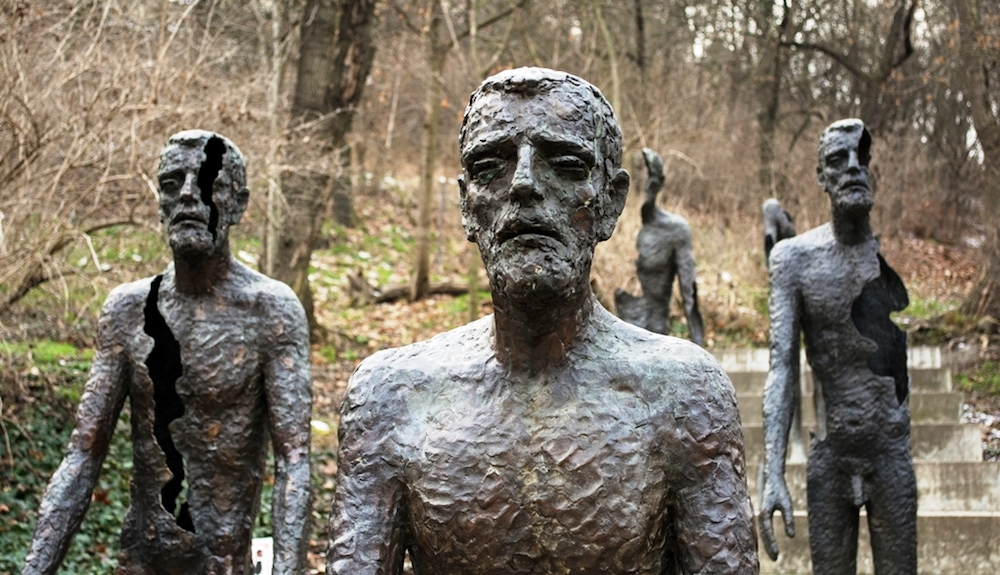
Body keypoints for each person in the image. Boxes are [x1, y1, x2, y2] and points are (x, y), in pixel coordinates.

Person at [327, 67, 758, 574]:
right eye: (491, 166)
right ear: (468, 204)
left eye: (567, 165)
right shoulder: (390, 398)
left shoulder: (685, 396)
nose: (525, 186)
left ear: (610, 202)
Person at [23, 130, 312, 575]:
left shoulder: (270, 311)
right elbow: (83, 452)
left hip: (225, 564)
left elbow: (294, 461)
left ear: (237, 203)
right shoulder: (127, 309)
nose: (189, 198)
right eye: (173, 184)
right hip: (141, 560)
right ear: (160, 203)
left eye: (208, 183)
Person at [759, 119, 915, 574]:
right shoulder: (793, 260)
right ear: (821, 178)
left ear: (872, 171)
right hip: (831, 456)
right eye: (836, 160)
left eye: (860, 158)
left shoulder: (892, 259)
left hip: (890, 454)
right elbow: (780, 367)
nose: (851, 168)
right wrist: (772, 469)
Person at [614, 147, 704, 345]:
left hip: (656, 331)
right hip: (632, 325)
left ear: (660, 182)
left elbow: (688, 291)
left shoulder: (676, 229)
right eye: (646, 178)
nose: (648, 186)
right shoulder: (641, 229)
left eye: (653, 177)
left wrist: (699, 348)